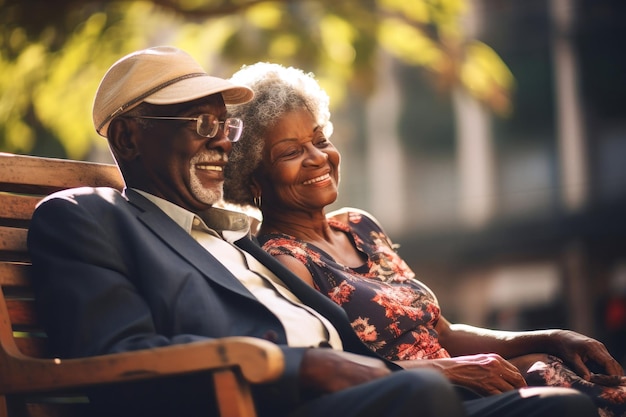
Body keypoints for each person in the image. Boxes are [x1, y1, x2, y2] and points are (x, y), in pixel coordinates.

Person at [27, 46, 596, 417]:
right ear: (128, 138)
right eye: (201, 124)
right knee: (422, 394)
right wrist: (307, 366)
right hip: (267, 402)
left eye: (224, 125)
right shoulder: (88, 218)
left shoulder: (234, 236)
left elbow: (379, 344)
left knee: (556, 406)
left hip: (376, 390)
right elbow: (117, 359)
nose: (223, 140)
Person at [222, 61, 626, 417]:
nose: (317, 157)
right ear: (252, 177)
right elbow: (337, 369)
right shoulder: (284, 261)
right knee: (566, 404)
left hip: (471, 382)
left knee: (583, 379)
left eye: (320, 139)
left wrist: (553, 336)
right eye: (290, 151)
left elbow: (443, 334)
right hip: (429, 401)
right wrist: (453, 371)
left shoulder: (360, 225)